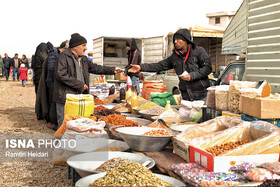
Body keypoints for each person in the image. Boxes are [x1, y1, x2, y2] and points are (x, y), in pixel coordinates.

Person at [53, 33, 122, 128]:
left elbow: (96, 68)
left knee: (77, 125)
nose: (86, 48)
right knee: (64, 125)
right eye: (84, 45)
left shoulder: (84, 59)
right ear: (75, 47)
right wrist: (79, 85)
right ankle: (61, 142)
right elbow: (61, 75)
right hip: (66, 98)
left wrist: (112, 70)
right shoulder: (63, 57)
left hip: (79, 98)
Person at [128, 28, 212, 101]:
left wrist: (192, 76)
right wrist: (141, 67)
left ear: (186, 40)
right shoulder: (174, 57)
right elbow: (159, 66)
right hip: (186, 97)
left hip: (202, 95)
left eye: (178, 39)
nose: (175, 41)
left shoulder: (199, 51)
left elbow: (207, 68)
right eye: (174, 39)